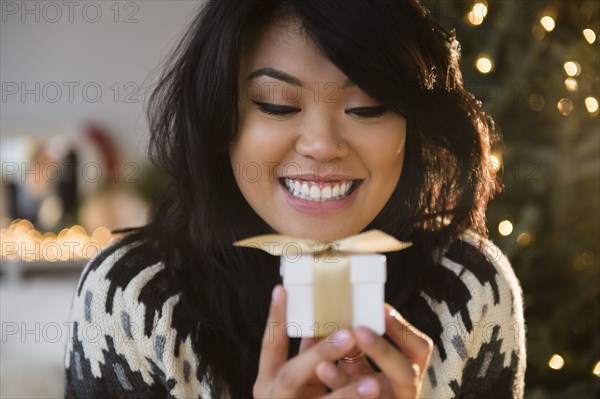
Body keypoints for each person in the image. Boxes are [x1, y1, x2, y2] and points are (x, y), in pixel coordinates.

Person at [64, 0, 526, 398]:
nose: (322, 145)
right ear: (219, 120)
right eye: (278, 106)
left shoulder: (469, 289)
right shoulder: (131, 299)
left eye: (367, 108)